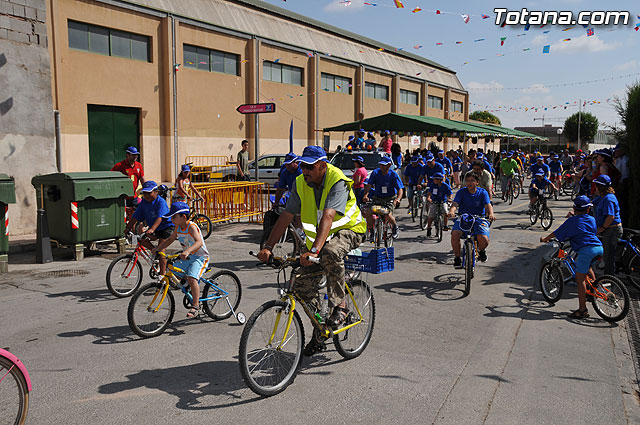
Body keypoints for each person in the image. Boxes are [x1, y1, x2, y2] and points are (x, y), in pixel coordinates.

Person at [257, 145, 366, 356]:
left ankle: (340, 306)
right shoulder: (301, 183)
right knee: (302, 286)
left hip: (350, 229)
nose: (304, 170)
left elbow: (328, 216)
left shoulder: (337, 180)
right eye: (303, 165)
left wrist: (315, 250)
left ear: (322, 166)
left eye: (309, 166)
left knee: (331, 253)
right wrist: (268, 247)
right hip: (320, 237)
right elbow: (287, 216)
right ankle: (321, 333)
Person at [540, 196, 603, 319]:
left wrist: (545, 239)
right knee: (587, 267)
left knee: (580, 280)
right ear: (588, 209)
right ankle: (594, 290)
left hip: (586, 250)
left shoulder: (572, 221)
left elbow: (557, 233)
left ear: (574, 208)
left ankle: (582, 310)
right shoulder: (591, 219)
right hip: (598, 248)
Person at [153, 202, 209, 318]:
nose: (171, 219)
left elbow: (199, 242)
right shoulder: (178, 226)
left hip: (200, 257)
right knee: (174, 271)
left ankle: (196, 306)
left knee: (192, 278)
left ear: (183, 217)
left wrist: (188, 251)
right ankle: (188, 283)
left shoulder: (191, 226)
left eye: (174, 217)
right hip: (187, 257)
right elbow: (171, 239)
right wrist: (158, 248)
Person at [124, 181, 175, 276]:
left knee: (161, 250)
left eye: (149, 193)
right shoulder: (143, 202)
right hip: (155, 228)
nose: (146, 195)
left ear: (156, 192)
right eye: (145, 193)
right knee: (141, 240)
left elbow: (160, 217)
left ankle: (162, 275)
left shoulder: (161, 202)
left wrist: (152, 229)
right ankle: (154, 251)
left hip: (166, 227)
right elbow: (135, 217)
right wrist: (128, 228)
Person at [447, 172, 495, 268]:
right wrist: (451, 212)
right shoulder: (461, 192)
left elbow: (487, 205)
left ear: (477, 182)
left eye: (472, 181)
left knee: (484, 240)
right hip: (464, 217)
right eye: (467, 181)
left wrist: (491, 214)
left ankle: (481, 251)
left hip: (479, 218)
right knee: (455, 234)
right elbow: (455, 204)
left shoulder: (482, 192)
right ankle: (457, 258)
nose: (469, 183)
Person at [363, 156, 404, 240]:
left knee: (386, 213)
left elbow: (400, 189)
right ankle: (371, 231)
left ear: (389, 165)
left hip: (389, 198)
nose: (381, 167)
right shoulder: (375, 173)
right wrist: (366, 195)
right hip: (377, 198)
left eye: (384, 165)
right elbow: (369, 185)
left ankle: (395, 228)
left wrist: (398, 199)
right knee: (368, 211)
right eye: (380, 165)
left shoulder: (393, 175)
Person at [592, 175, 622, 275]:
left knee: (609, 257)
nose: (595, 187)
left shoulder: (608, 199)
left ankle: (610, 280)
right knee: (607, 254)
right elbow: (592, 203)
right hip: (608, 229)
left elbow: (610, 216)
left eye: (596, 185)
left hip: (612, 230)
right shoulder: (602, 197)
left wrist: (602, 228)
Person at [425, 172, 452, 237]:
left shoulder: (445, 185)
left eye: (434, 179)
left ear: (439, 180)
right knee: (431, 214)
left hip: (443, 201)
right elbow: (429, 192)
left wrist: (450, 198)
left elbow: (450, 193)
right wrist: (428, 198)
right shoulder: (433, 185)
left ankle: (445, 225)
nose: (433, 180)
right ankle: (429, 227)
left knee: (445, 212)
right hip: (434, 201)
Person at [614, 143, 630, 226]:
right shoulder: (619, 160)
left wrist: (621, 184)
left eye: (616, 151)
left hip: (622, 184)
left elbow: (624, 174)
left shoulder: (624, 160)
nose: (615, 153)